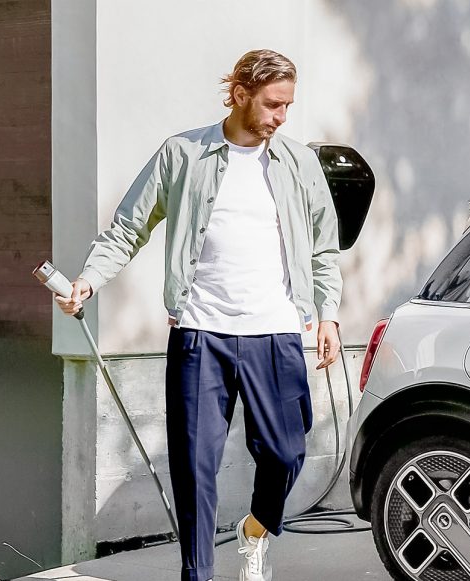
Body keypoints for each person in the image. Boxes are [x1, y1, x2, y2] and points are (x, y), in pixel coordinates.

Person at [54, 49, 343, 581]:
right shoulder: (182, 153)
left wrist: (328, 314)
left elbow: (325, 247)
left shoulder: (299, 163)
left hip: (275, 331)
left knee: (285, 449)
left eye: (288, 107)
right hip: (199, 333)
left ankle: (257, 528)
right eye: (274, 105)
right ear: (238, 93)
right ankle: (198, 573)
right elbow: (128, 227)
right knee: (193, 467)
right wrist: (88, 280)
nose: (282, 117)